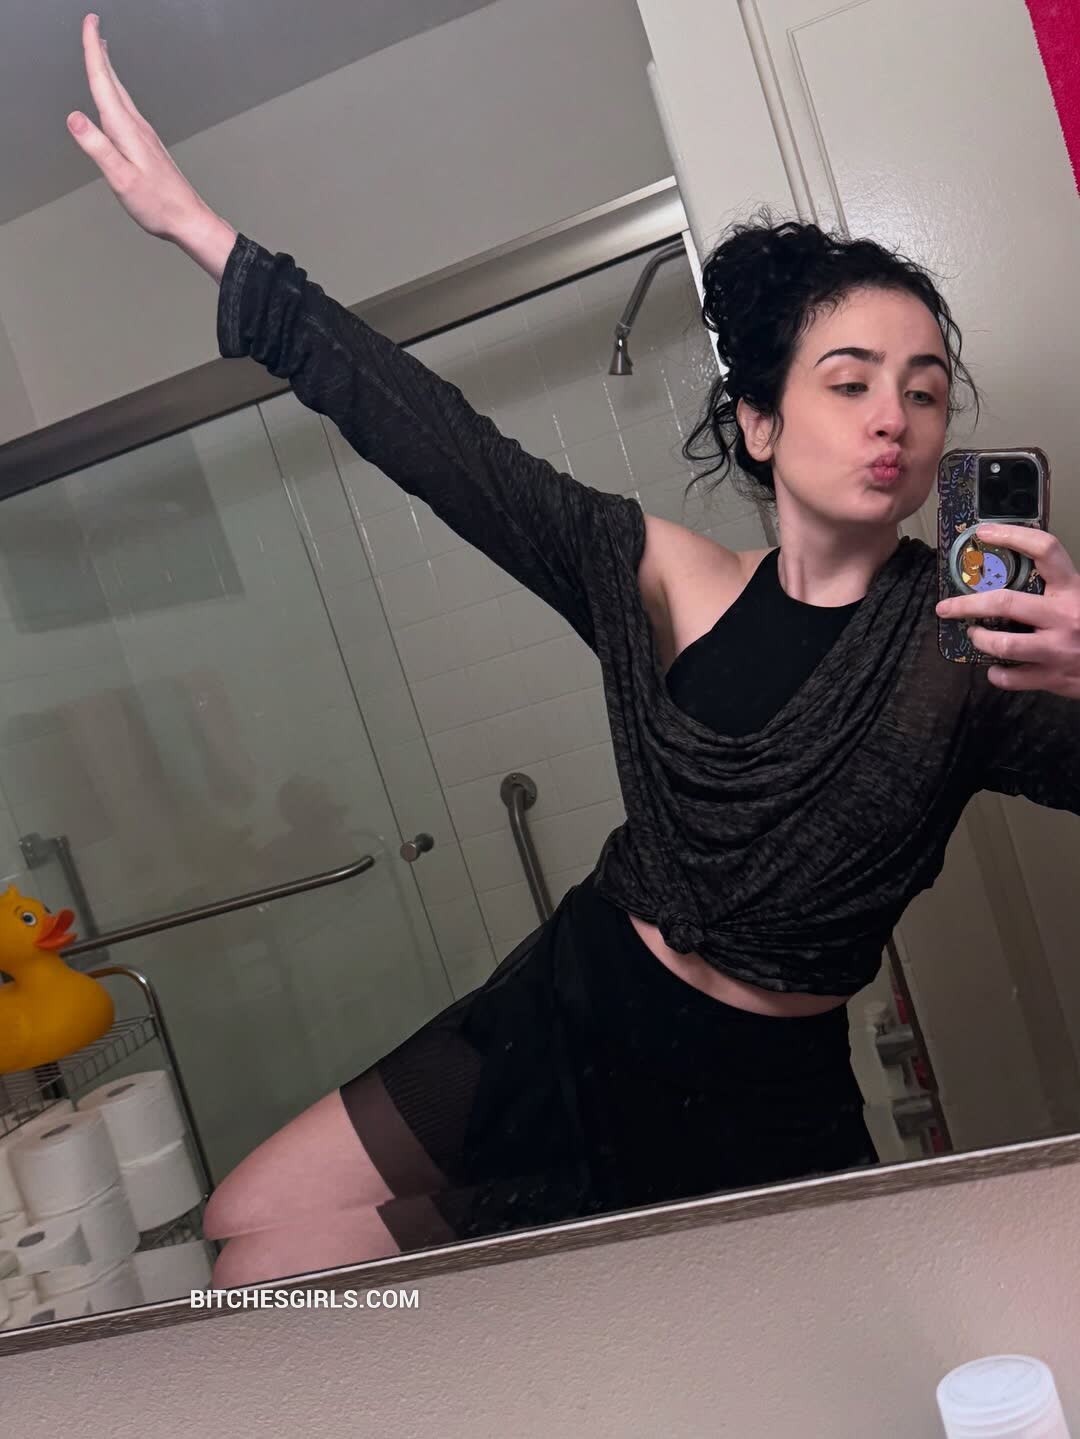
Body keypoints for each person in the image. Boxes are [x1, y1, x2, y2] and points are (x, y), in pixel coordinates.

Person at [67, 13, 1080, 1286]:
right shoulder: (659, 575)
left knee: (628, 1343)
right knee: (247, 1237)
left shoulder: (969, 648)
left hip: (751, 1096)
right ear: (761, 423)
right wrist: (204, 235)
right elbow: (446, 448)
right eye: (851, 379)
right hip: (574, 996)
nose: (895, 416)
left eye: (924, 390)